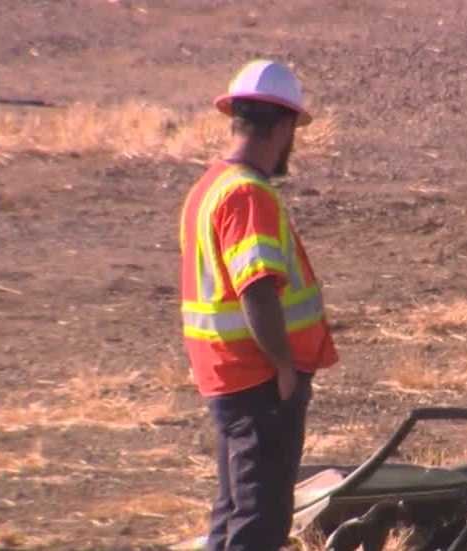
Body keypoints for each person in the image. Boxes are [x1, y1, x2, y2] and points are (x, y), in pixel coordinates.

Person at [179, 59, 338, 551]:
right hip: (258, 382)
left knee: (233, 513)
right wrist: (284, 367)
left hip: (227, 376)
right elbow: (257, 291)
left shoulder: (209, 186)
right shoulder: (249, 194)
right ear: (286, 124)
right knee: (260, 523)